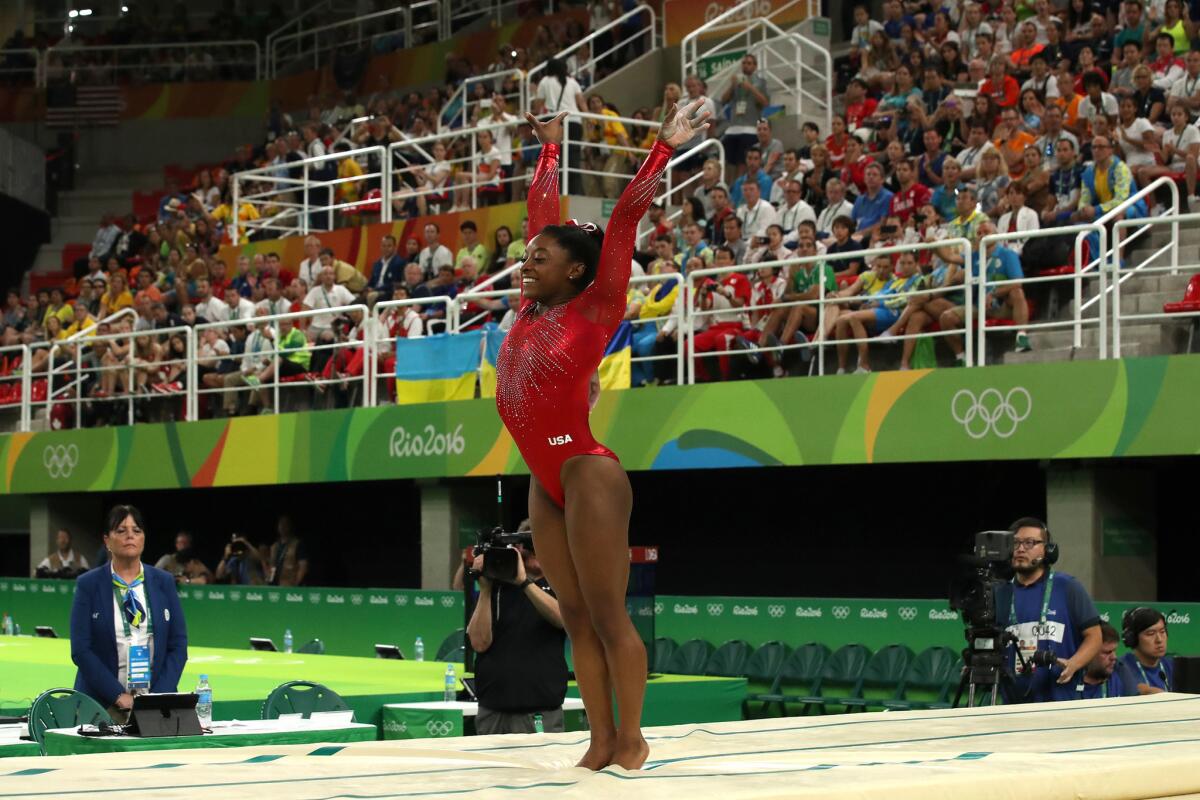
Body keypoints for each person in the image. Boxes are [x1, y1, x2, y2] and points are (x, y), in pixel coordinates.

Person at [496, 99, 708, 771]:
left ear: (577, 271)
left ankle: (634, 737)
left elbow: (622, 221)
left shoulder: (599, 303)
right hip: (546, 477)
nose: (526, 261)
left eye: (540, 257)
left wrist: (663, 148)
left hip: (587, 469)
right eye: (529, 255)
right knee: (577, 617)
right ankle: (599, 739)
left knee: (610, 616)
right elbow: (542, 213)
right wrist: (551, 146)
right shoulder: (534, 304)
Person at [69, 505, 188, 721]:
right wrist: (118, 695)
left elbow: (178, 646)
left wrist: (156, 698)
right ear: (107, 540)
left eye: (136, 530)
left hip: (155, 706)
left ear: (144, 538)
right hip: (101, 705)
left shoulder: (164, 582)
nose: (130, 536)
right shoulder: (88, 584)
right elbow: (81, 650)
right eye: (121, 530)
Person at [466, 531, 567, 735]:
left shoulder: (561, 585)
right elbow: (478, 643)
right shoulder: (495, 588)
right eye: (527, 549)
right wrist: (485, 590)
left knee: (541, 768)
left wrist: (523, 583)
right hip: (492, 712)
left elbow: (563, 619)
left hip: (539, 712)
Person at [995, 517, 1103, 703]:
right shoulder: (1000, 592)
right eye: (1015, 543)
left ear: (1048, 549)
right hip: (1013, 703)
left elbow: (1095, 636)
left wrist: (1074, 663)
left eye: (1029, 543)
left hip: (1061, 699)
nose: (1020, 549)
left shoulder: (1067, 586)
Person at [1049, 622, 1137, 701]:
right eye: (1107, 652)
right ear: (1088, 652)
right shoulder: (1063, 678)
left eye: (1114, 651)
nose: (1114, 657)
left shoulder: (1120, 671)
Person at [1120, 607, 1175, 694]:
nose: (1159, 640)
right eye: (1151, 634)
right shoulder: (1120, 668)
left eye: (1162, 631)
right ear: (1132, 638)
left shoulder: (1174, 666)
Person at [268, 515, 308, 586]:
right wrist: (270, 581)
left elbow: (303, 567)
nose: (282, 526)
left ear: (290, 526)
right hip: (276, 586)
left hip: (290, 586)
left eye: (285, 524)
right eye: (281, 524)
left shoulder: (297, 544)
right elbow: (272, 567)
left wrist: (295, 584)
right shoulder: (274, 546)